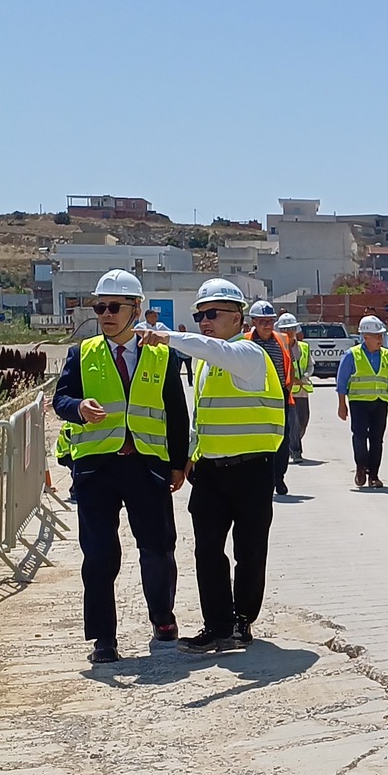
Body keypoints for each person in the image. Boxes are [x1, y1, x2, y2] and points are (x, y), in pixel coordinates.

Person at [52, 270, 188, 663]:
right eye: (100, 308)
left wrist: (178, 463)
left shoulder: (162, 355)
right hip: (97, 470)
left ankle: (162, 617)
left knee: (158, 548)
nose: (106, 315)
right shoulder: (82, 354)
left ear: (136, 309)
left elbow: (177, 412)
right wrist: (78, 407)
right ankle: (103, 639)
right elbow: (61, 400)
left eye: (114, 307)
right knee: (99, 556)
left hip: (146, 466)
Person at [149, 278, 284, 653]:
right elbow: (202, 417)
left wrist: (168, 337)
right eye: (199, 316)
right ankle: (217, 625)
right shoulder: (207, 363)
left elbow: (213, 348)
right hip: (210, 472)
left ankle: (242, 621)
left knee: (249, 551)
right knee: (207, 551)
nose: (204, 321)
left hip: (251, 470)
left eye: (212, 314)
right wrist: (188, 459)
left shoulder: (248, 354)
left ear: (238, 317)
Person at [337, 315, 388, 487]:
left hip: (380, 402)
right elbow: (341, 382)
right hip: (358, 402)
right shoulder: (352, 355)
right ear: (365, 337)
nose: (380, 339)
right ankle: (361, 467)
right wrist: (342, 405)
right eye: (376, 336)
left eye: (381, 335)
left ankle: (373, 475)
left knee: (377, 439)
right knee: (359, 436)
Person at [245, 300, 297, 497]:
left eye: (270, 321)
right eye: (262, 321)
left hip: (279, 395)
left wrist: (287, 389)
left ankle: (279, 477)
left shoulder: (282, 340)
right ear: (254, 322)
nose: (267, 325)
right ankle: (261, 478)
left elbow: (290, 364)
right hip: (254, 395)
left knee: (282, 438)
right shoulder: (245, 341)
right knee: (257, 438)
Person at [277, 314, 313, 464]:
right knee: (293, 422)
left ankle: (294, 442)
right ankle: (295, 450)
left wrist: (305, 376)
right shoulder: (278, 347)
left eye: (291, 328)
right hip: (287, 390)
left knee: (303, 420)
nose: (288, 332)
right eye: (285, 329)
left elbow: (310, 365)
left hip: (302, 390)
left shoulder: (304, 347)